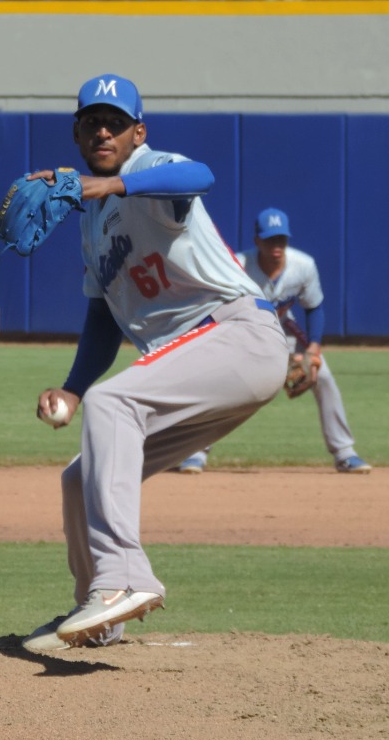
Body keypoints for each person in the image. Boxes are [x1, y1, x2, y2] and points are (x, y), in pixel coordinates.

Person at [22, 74, 289, 653]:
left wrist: (108, 183)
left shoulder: (151, 169)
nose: (102, 129)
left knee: (114, 402)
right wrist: (70, 388)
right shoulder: (91, 225)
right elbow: (102, 316)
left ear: (136, 132)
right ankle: (98, 616)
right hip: (195, 364)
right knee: (79, 477)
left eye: (115, 122)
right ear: (76, 132)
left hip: (238, 335)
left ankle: (124, 579)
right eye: (92, 121)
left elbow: (201, 177)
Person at [178, 207, 371, 475]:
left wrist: (314, 347)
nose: (276, 246)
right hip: (242, 333)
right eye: (270, 239)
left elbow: (314, 308)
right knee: (219, 385)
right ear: (257, 241)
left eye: (281, 239)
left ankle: (345, 453)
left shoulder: (303, 266)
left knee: (323, 375)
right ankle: (196, 452)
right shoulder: (237, 266)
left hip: (283, 333)